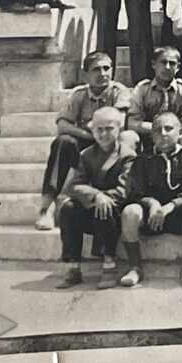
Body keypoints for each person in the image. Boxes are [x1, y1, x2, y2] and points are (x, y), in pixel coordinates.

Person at [35, 52, 136, 231]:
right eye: (96, 69)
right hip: (89, 141)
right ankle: (47, 207)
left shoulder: (119, 91)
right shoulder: (79, 94)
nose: (103, 73)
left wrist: (99, 133)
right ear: (86, 74)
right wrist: (89, 135)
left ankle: (118, 203)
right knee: (63, 142)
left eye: (107, 68)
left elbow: (119, 123)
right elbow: (63, 124)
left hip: (111, 144)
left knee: (128, 139)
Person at [118, 113, 182, 289]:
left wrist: (170, 206)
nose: (163, 134)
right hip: (151, 218)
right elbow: (133, 191)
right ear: (152, 136)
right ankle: (135, 268)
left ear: (180, 132)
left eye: (169, 128)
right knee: (130, 211)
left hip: (178, 216)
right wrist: (152, 203)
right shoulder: (143, 159)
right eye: (158, 131)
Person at [55, 107, 135, 289]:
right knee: (68, 208)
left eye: (109, 128)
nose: (104, 134)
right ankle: (73, 267)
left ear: (119, 129)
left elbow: (124, 191)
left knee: (105, 206)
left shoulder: (128, 156)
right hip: (95, 207)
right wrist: (97, 195)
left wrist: (103, 198)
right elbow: (74, 185)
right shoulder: (86, 155)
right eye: (99, 129)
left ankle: (109, 266)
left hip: (117, 212)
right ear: (92, 131)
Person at [127, 47, 182, 154]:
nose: (167, 67)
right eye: (163, 63)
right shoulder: (142, 88)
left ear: (178, 67)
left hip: (175, 138)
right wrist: (158, 129)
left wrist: (169, 132)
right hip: (148, 137)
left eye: (172, 63)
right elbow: (132, 123)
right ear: (154, 65)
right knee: (128, 137)